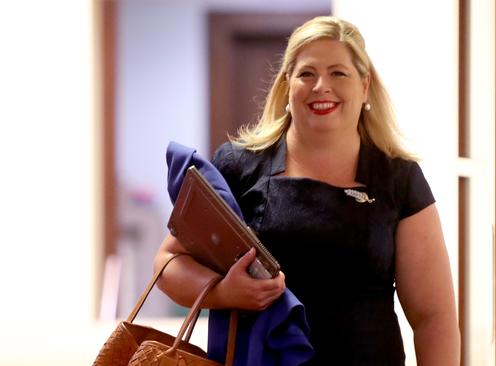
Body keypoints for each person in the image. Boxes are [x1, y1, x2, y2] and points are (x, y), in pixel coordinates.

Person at [155, 16, 460, 365]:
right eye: (307, 74)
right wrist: (225, 293)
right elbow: (168, 264)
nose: (321, 87)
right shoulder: (237, 166)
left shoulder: (399, 178)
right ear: (287, 85)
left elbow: (433, 318)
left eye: (338, 73)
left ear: (364, 85)